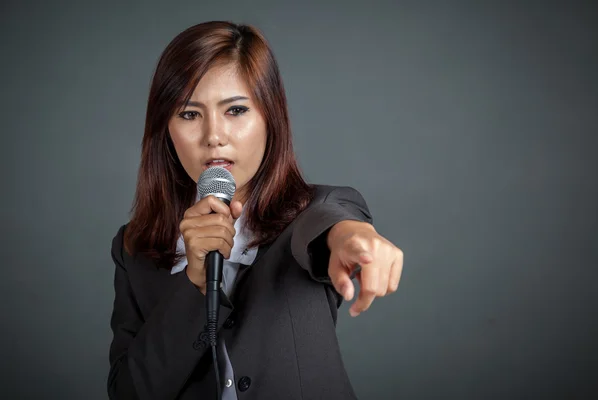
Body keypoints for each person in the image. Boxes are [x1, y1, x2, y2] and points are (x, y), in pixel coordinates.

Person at [107, 21, 404, 400]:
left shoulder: (313, 211)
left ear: (270, 117)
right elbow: (128, 393)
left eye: (235, 110)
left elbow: (334, 224)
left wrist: (354, 237)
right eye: (189, 114)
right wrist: (194, 285)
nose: (213, 135)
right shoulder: (134, 248)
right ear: (165, 129)